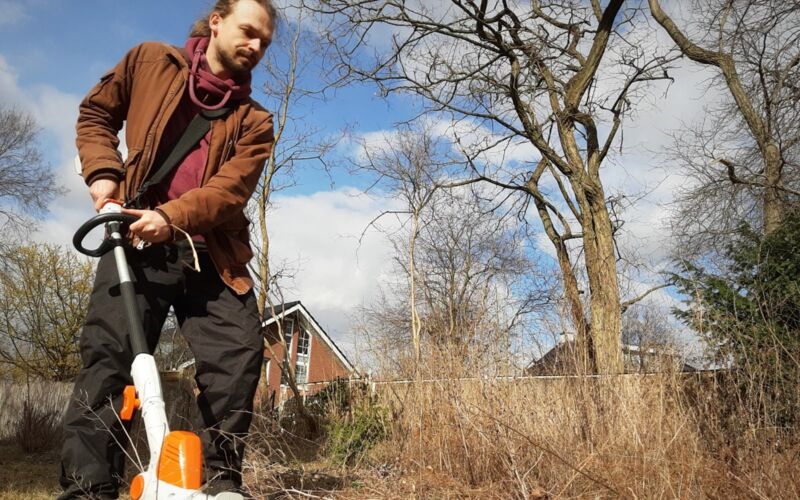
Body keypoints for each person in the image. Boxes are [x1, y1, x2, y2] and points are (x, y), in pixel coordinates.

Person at [59, 1, 276, 498]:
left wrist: (173, 218)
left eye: (264, 41)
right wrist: (104, 177)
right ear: (216, 21)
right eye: (248, 32)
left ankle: (222, 483)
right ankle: (87, 491)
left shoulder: (255, 121)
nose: (256, 47)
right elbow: (95, 114)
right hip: (133, 240)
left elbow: (230, 191)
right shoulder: (150, 62)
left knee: (239, 356)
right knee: (108, 365)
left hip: (211, 255)